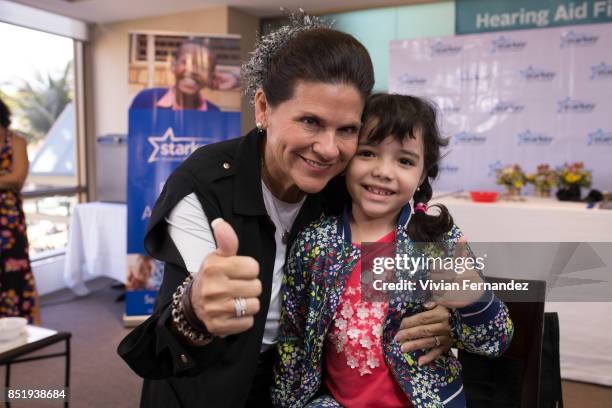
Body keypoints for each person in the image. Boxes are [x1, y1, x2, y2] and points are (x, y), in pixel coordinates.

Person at [118, 14, 456, 408]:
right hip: (204, 387)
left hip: (298, 391)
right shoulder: (202, 185)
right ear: (263, 107)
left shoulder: (339, 188)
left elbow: (394, 263)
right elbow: (160, 346)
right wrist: (193, 310)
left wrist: (438, 316)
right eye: (310, 122)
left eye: (347, 130)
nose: (329, 149)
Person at [272, 94, 514, 407]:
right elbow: (293, 336)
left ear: (423, 174)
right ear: (346, 161)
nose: (384, 171)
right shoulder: (314, 243)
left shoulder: (436, 243)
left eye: (404, 161)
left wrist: (474, 300)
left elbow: (494, 341)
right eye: (368, 153)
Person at [0, 97, 40, 325]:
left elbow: (18, 178)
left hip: (9, 220)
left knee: (15, 267)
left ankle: (21, 325)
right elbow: (10, 178)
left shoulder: (16, 141)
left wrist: (9, 180)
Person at [131, 37, 222, 111]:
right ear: (173, 65)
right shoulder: (146, 100)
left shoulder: (214, 113)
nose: (192, 71)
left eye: (203, 67)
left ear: (210, 76)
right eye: (185, 62)